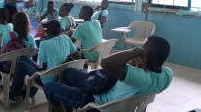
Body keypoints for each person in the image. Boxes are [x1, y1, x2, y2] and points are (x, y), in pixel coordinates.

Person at [43, 35, 173, 112]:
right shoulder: (167, 75)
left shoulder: (140, 78)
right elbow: (154, 67)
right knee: (68, 73)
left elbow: (106, 64)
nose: (139, 51)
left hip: (97, 101)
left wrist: (134, 51)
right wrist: (140, 61)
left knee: (49, 87)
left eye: (141, 49)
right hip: (105, 86)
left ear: (146, 54)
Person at [8, 19, 81, 102]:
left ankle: (14, 94)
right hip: (64, 77)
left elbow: (44, 67)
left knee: (22, 61)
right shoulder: (66, 38)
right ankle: (25, 93)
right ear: (60, 30)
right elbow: (78, 56)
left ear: (47, 31)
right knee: (36, 68)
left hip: (50, 80)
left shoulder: (44, 43)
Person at [0, 11, 37, 91]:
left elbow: (3, 48)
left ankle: (0, 83)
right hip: (24, 67)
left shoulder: (7, 35)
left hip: (7, 67)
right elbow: (34, 51)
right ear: (27, 24)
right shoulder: (30, 38)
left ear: (14, 23)